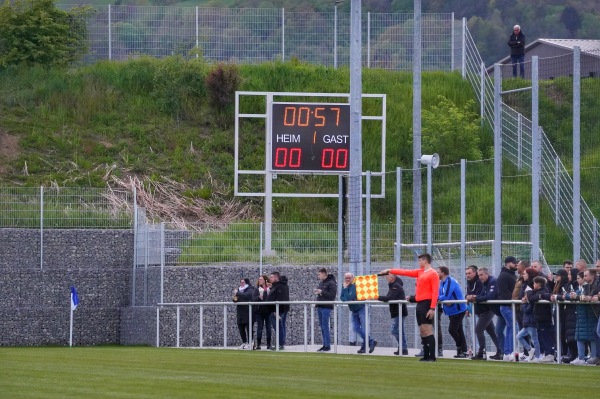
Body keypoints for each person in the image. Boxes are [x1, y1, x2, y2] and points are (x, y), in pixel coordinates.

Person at [380, 253, 439, 362]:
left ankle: (432, 356)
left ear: (425, 261)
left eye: (420, 260)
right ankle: (426, 354)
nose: (419, 262)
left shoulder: (433, 273)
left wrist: (432, 308)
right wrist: (390, 270)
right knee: (422, 330)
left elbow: (435, 292)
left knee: (427, 329)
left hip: (427, 303)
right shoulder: (420, 272)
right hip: (419, 303)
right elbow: (405, 272)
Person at [466, 267, 501, 360]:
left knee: (478, 330)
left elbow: (490, 296)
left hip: (488, 310)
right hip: (485, 310)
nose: (480, 277)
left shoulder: (493, 281)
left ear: (487, 274)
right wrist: (473, 296)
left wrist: (475, 298)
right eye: (479, 275)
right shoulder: (484, 282)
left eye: (481, 275)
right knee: (492, 332)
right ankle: (500, 351)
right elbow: (481, 295)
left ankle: (481, 353)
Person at [341, 272, 377, 354]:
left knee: (364, 328)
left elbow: (349, 297)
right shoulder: (344, 287)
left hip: (361, 308)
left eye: (349, 277)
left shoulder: (355, 286)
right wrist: (345, 290)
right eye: (346, 278)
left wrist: (345, 289)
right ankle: (371, 341)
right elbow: (343, 298)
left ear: (353, 278)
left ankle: (364, 347)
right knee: (356, 328)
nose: (347, 279)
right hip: (353, 310)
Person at [437, 266, 468, 358]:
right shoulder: (442, 283)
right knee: (459, 330)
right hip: (452, 311)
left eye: (438, 272)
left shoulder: (450, 281)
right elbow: (439, 294)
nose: (436, 274)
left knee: (452, 330)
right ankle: (463, 351)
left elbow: (445, 296)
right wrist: (439, 298)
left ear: (443, 273)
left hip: (458, 310)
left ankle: (460, 348)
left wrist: (437, 298)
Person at [549, 268, 578, 363]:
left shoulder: (568, 285)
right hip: (560, 313)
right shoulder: (558, 285)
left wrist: (558, 297)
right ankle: (565, 354)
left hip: (565, 313)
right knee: (562, 334)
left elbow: (567, 296)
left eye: (558, 275)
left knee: (566, 334)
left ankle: (571, 354)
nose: (556, 277)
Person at [526, 276, 555, 363]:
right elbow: (533, 297)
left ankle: (550, 354)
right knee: (541, 336)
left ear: (538, 284)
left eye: (534, 283)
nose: (533, 285)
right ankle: (545, 353)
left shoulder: (543, 291)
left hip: (544, 317)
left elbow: (531, 298)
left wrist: (536, 295)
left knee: (546, 336)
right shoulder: (538, 292)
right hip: (540, 318)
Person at [377, 272, 408, 355]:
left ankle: (403, 347)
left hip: (399, 312)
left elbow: (389, 298)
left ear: (392, 278)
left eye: (387, 276)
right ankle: (403, 348)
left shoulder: (396, 286)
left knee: (395, 330)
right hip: (397, 311)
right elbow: (388, 297)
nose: (386, 278)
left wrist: (377, 297)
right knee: (399, 331)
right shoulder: (393, 285)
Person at [496, 256, 517, 361]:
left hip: (507, 306)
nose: (516, 265)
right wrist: (514, 300)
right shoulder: (504, 276)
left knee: (509, 328)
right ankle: (509, 352)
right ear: (508, 263)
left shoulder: (509, 275)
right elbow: (504, 293)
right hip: (507, 306)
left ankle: (507, 353)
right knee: (513, 327)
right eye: (514, 263)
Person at [516, 267, 540, 361]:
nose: (523, 275)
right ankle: (531, 350)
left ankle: (537, 356)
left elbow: (530, 303)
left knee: (534, 339)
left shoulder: (531, 289)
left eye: (525, 273)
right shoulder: (525, 285)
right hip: (527, 319)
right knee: (519, 336)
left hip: (531, 319)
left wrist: (524, 303)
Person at [315, 268, 337, 352]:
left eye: (319, 274)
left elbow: (332, 296)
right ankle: (325, 344)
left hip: (326, 307)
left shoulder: (331, 283)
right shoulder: (322, 282)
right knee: (322, 327)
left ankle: (327, 345)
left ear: (324, 274)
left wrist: (321, 292)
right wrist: (318, 292)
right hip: (320, 306)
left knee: (325, 326)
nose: (318, 276)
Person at [267, 271, 289, 350]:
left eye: (272, 277)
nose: (270, 278)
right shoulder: (276, 286)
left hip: (278, 310)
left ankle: (280, 344)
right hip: (276, 309)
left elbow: (280, 299)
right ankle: (280, 344)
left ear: (276, 277)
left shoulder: (280, 286)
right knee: (280, 327)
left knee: (279, 327)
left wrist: (277, 310)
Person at [232, 278, 255, 349]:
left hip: (248, 312)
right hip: (240, 312)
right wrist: (234, 298)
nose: (241, 284)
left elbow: (247, 296)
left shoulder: (250, 289)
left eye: (243, 282)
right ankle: (244, 342)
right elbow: (235, 300)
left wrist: (238, 293)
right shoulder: (239, 290)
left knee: (249, 328)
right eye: (240, 282)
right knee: (241, 328)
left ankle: (250, 342)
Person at [252, 274, 272, 350]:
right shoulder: (256, 289)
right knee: (259, 327)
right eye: (259, 279)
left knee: (268, 328)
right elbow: (253, 299)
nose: (259, 280)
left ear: (265, 280)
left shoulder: (269, 288)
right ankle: (259, 344)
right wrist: (258, 297)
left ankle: (269, 344)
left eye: (261, 279)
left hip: (268, 311)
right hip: (259, 311)